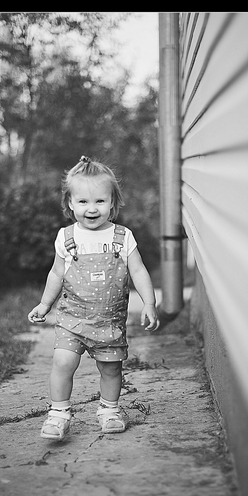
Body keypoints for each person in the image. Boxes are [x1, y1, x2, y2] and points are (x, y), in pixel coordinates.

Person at [28, 156, 160, 441]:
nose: (92, 208)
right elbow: (56, 273)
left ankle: (109, 411)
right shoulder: (66, 237)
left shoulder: (122, 236)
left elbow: (138, 270)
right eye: (83, 201)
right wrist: (45, 304)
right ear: (70, 203)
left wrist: (149, 303)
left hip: (108, 321)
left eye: (100, 201)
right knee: (62, 363)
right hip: (72, 320)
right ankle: (58, 414)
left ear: (113, 203)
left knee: (111, 369)